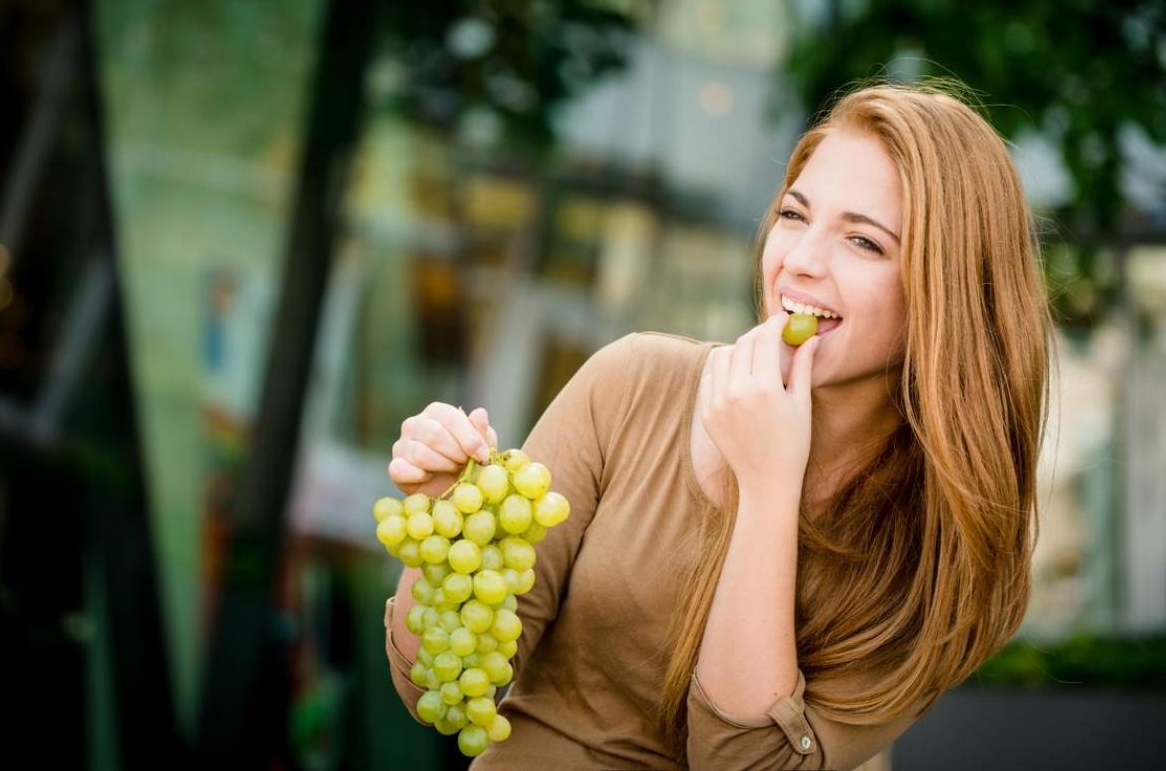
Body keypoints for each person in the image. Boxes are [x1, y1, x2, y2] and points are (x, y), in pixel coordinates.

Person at [382, 81, 1052, 770]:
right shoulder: (633, 384)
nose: (800, 260)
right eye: (795, 214)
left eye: (862, 240)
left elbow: (745, 762)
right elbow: (441, 686)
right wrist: (443, 521)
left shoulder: (947, 546)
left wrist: (768, 485)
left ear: (944, 293)